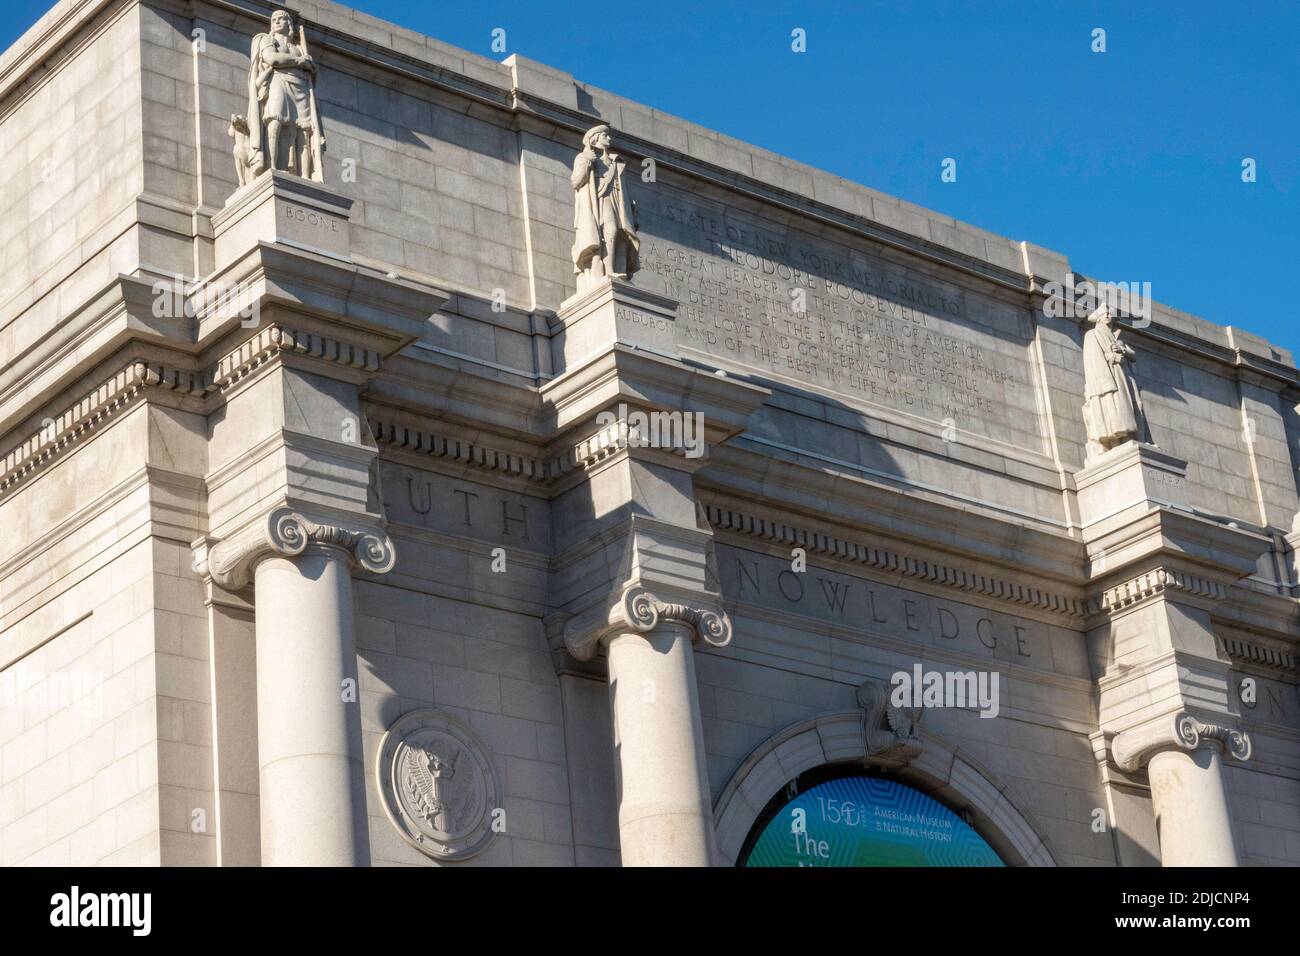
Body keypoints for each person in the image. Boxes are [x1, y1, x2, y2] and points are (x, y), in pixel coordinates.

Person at [245, 9, 324, 181]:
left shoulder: (298, 48)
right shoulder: (267, 39)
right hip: (278, 81)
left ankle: (304, 175)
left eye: (282, 19)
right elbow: (271, 58)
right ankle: (272, 166)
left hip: (300, 86)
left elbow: (312, 74)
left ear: (289, 23)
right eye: (274, 19)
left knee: (303, 129)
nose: (278, 21)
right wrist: (298, 62)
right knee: (275, 121)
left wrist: (310, 65)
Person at [571, 125, 639, 290]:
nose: (609, 139)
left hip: (618, 201)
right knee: (611, 230)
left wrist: (631, 207)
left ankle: (619, 270)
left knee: (624, 235)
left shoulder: (617, 161)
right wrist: (588, 161)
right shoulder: (583, 157)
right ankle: (608, 271)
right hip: (601, 201)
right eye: (605, 136)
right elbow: (576, 181)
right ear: (595, 138)